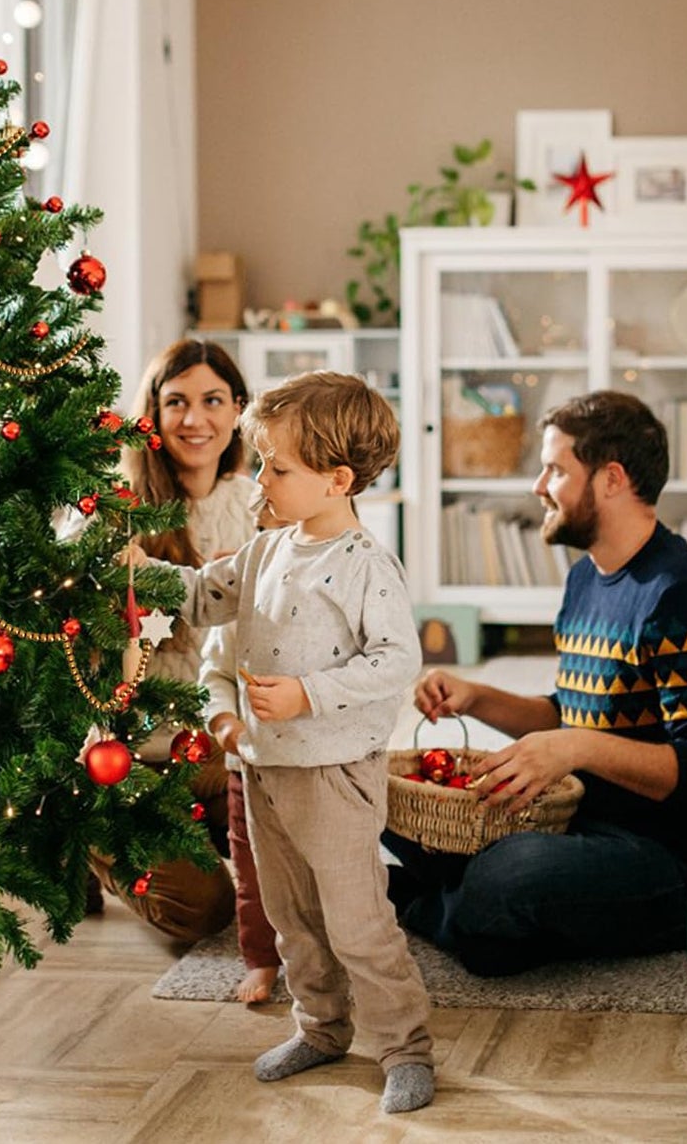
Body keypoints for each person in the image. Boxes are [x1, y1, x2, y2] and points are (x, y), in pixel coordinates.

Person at [137, 370, 435, 1115]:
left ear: (337, 479)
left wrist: (307, 693)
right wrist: (138, 574)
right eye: (261, 462)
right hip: (264, 771)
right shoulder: (266, 550)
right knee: (290, 915)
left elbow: (395, 660)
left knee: (357, 922)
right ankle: (322, 1027)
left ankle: (405, 1047)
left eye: (276, 467)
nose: (258, 480)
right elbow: (206, 597)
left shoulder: (365, 564)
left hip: (334, 773)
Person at [384, 391, 687, 976]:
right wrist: (477, 697)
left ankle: (418, 901)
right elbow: (574, 711)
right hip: (576, 818)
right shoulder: (585, 578)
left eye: (556, 469)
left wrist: (576, 748)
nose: (538, 486)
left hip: (664, 855)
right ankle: (467, 910)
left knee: (506, 875)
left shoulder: (686, 593)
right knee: (383, 802)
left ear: (611, 479)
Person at [106, 340, 280, 992]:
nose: (194, 419)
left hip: (219, 745)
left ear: (238, 410)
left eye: (213, 400)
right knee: (201, 911)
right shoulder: (116, 502)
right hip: (134, 753)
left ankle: (204, 826)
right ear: (151, 412)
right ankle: (95, 842)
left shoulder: (259, 502)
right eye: (175, 401)